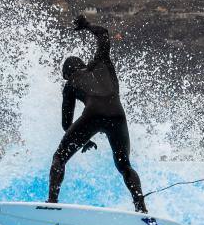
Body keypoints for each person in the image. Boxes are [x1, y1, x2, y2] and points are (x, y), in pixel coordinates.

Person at [47, 15, 147, 213]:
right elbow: (103, 34)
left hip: (92, 115)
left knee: (59, 158)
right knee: (125, 166)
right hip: (118, 115)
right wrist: (87, 26)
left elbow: (66, 124)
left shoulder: (70, 85)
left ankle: (51, 202)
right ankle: (141, 208)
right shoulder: (102, 62)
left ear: (67, 73)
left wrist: (85, 140)